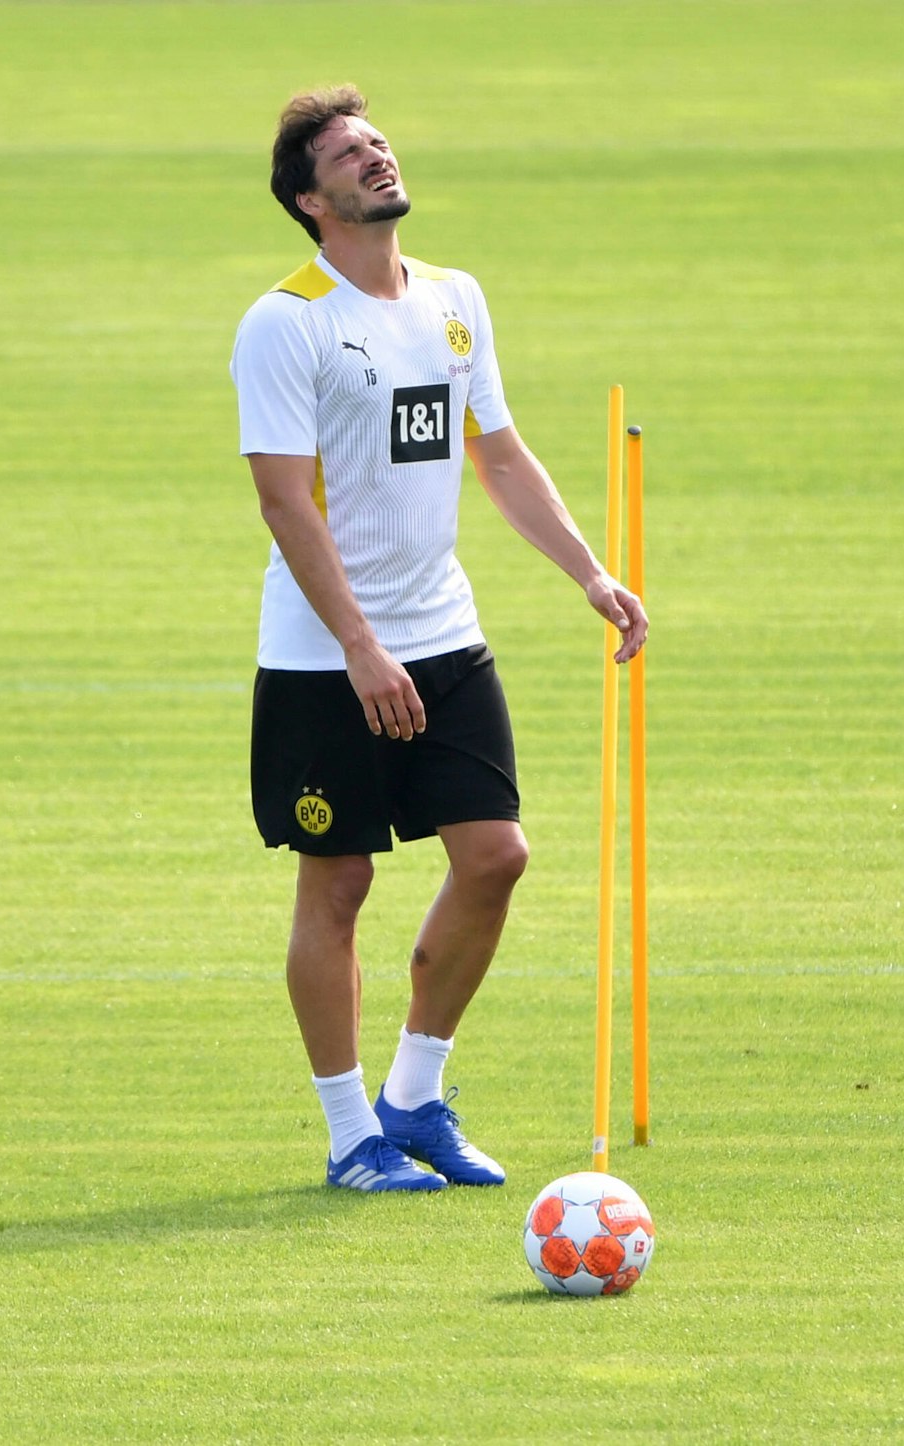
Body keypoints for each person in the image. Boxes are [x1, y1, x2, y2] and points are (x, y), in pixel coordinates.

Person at [230, 86, 647, 1192]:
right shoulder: (287, 323)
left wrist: (590, 572)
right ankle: (346, 1134)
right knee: (340, 882)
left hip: (445, 633)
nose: (377, 157)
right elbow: (286, 506)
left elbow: (499, 457)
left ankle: (413, 1099)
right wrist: (363, 649)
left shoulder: (456, 301)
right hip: (327, 653)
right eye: (348, 154)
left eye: (379, 141)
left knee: (498, 854)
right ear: (311, 201)